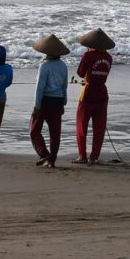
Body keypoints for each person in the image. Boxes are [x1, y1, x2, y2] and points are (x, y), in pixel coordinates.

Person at [73, 28, 114, 165]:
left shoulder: (88, 55)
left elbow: (80, 73)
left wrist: (87, 76)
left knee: (81, 126)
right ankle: (94, 157)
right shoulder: (109, 57)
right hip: (102, 93)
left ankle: (82, 156)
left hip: (88, 93)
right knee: (99, 128)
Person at [30, 34, 69, 168]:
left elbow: (39, 88)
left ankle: (44, 154)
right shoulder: (63, 66)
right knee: (55, 133)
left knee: (34, 131)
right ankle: (52, 160)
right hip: (58, 101)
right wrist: (64, 101)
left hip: (45, 100)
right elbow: (64, 85)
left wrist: (36, 106)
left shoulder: (44, 66)